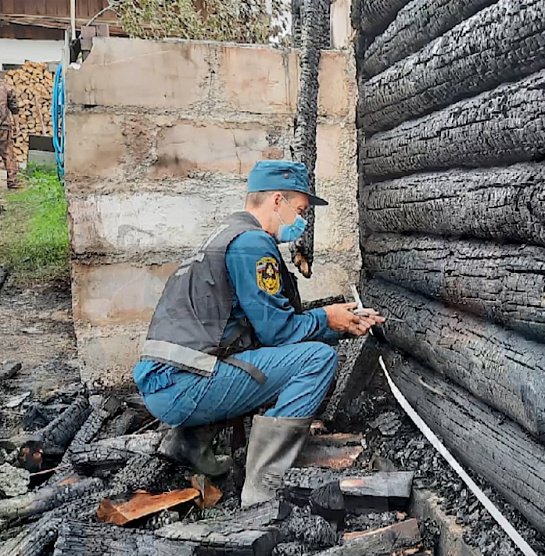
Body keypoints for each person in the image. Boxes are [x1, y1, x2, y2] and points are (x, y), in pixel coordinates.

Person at [133, 160, 384, 506]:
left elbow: (263, 334)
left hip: (167, 380)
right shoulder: (252, 245)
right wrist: (327, 320)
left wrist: (335, 323)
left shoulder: (228, 234)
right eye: (299, 210)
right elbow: (278, 333)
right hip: (182, 386)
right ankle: (263, 486)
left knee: (265, 360)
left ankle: (191, 443)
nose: (302, 220)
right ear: (277, 201)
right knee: (316, 360)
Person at [0, 80, 19, 190]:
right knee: (8, 154)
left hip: (4, 126)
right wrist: (17, 125)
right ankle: (12, 182)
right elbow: (14, 108)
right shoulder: (6, 87)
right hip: (4, 126)